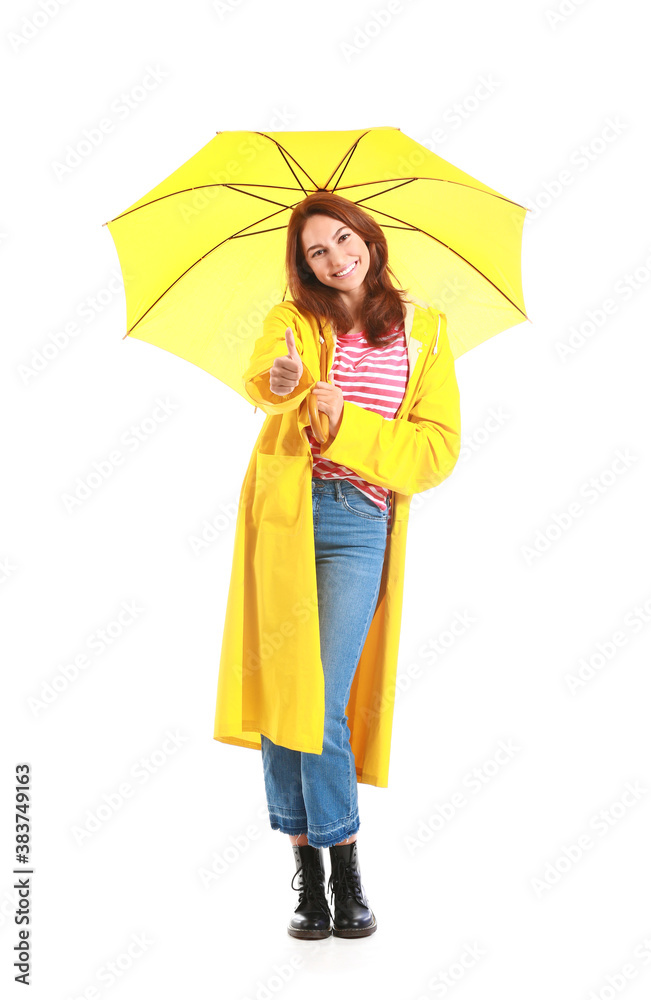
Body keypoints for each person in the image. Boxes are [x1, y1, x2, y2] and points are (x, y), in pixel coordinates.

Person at [213, 191, 461, 939]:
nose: (334, 257)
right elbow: (266, 377)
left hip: (360, 524)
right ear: (304, 264)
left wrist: (346, 423)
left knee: (317, 693)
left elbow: (433, 451)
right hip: (285, 517)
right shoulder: (294, 323)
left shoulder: (425, 331)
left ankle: (342, 859)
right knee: (292, 689)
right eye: (316, 251)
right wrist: (282, 386)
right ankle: (313, 880)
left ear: (369, 239)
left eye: (343, 239)